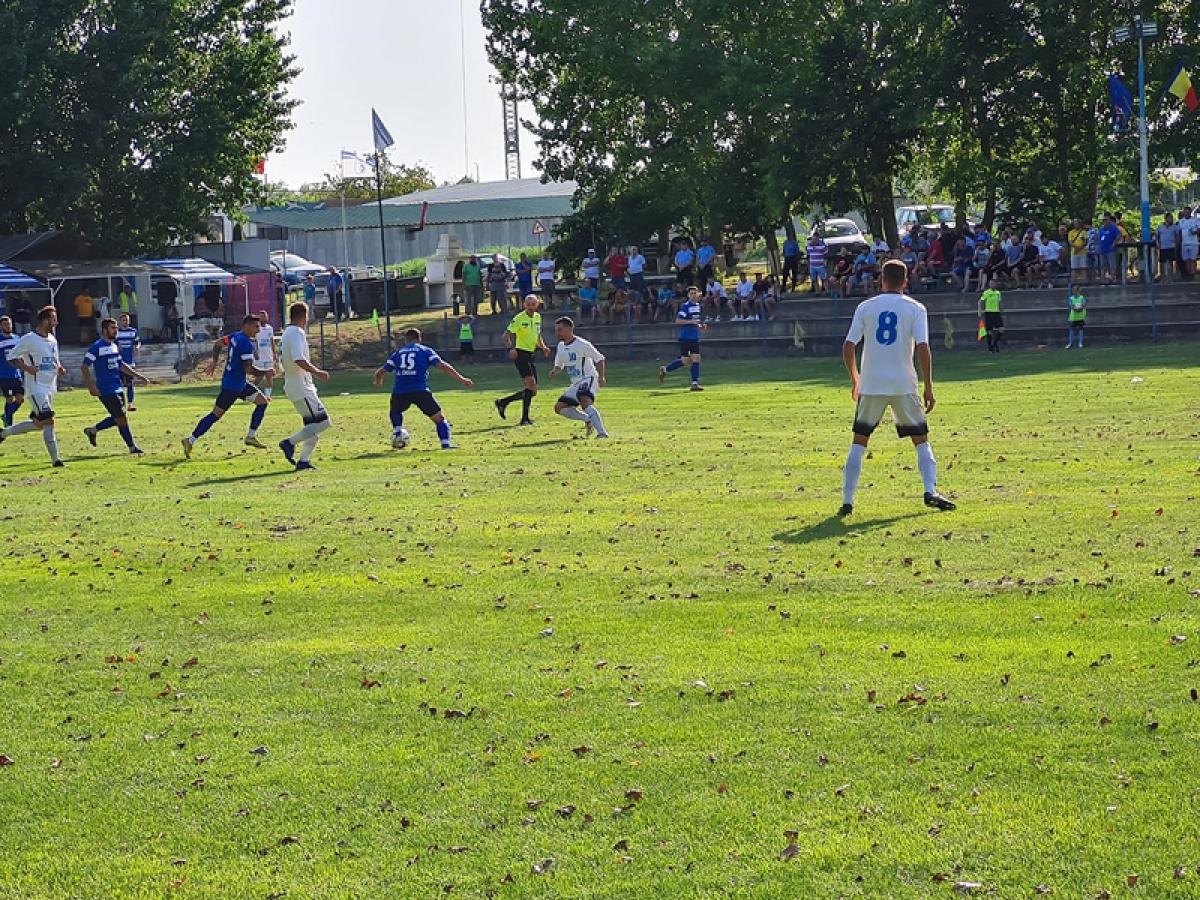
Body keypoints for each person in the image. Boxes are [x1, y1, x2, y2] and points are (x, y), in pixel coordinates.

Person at [839, 258, 955, 516]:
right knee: (921, 440)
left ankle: (847, 500)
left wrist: (856, 379)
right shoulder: (915, 308)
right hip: (903, 383)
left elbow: (848, 345)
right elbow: (923, 347)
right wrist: (928, 386)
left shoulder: (866, 307)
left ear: (881, 280)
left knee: (859, 441)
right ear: (905, 281)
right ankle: (930, 490)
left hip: (872, 383)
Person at [181, 315, 273, 458]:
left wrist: (215, 361)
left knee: (262, 402)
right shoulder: (245, 343)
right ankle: (190, 440)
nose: (258, 330)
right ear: (247, 326)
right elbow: (249, 369)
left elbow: (218, 343)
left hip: (238, 383)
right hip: (233, 387)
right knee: (215, 415)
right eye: (256, 326)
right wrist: (265, 372)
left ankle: (251, 436)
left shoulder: (235, 336)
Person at [374, 327, 474, 449]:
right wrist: (462, 379)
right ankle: (445, 444)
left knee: (395, 410)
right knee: (439, 419)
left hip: (400, 391)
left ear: (406, 340)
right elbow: (443, 366)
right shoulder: (425, 351)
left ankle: (398, 431)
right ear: (419, 339)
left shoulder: (398, 353)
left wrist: (378, 382)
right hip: (420, 390)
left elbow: (380, 372)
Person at [0, 306, 66, 467]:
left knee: (39, 424)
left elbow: (54, 358)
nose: (56, 322)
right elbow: (11, 357)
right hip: (36, 387)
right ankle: (56, 460)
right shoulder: (29, 338)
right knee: (49, 420)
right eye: (53, 318)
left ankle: (4, 433)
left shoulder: (52, 339)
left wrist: (59, 367)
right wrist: (27, 368)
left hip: (49, 386)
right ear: (45, 320)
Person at [81, 317, 150, 455]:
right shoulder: (97, 347)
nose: (116, 331)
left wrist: (138, 376)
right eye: (113, 328)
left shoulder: (114, 346)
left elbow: (121, 365)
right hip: (105, 389)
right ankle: (132, 447)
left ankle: (92, 430)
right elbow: (84, 366)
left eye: (116, 328)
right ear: (104, 330)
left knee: (118, 417)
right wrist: (91, 387)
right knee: (121, 418)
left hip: (117, 387)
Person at [277, 301, 331, 470]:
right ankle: (289, 443)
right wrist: (318, 372)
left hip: (295, 385)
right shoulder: (296, 332)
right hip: (301, 387)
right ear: (304, 316)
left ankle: (303, 461)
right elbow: (298, 358)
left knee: (311, 429)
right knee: (324, 422)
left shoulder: (287, 333)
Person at [494, 294, 550, 426]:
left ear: (537, 305)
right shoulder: (519, 318)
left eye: (533, 304)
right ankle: (524, 418)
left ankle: (503, 402)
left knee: (533, 390)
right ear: (524, 305)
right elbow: (505, 336)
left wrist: (543, 347)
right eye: (528, 304)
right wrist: (511, 348)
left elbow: (537, 335)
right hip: (521, 354)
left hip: (531, 354)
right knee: (530, 386)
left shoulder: (537, 317)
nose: (531, 307)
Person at [549, 316, 608, 439]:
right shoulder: (561, 346)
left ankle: (602, 433)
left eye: (559, 330)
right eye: (556, 330)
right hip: (576, 383)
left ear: (569, 329)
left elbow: (600, 359)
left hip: (589, 378)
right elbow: (559, 365)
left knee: (585, 401)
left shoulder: (582, 344)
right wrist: (555, 371)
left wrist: (601, 377)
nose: (557, 333)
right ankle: (587, 419)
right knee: (559, 407)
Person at [657, 285, 706, 392]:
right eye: (691, 293)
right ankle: (694, 384)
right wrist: (691, 322)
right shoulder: (686, 306)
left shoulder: (698, 306)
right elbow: (678, 321)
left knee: (687, 361)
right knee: (695, 359)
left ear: (698, 294)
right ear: (688, 295)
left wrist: (700, 326)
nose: (693, 295)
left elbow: (695, 321)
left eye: (695, 293)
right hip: (686, 337)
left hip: (694, 336)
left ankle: (665, 369)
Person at [250, 310, 277, 450]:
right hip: (260, 357)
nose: (263, 318)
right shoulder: (257, 329)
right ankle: (249, 391)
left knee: (269, 376)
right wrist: (255, 353)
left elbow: (271, 341)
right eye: (261, 316)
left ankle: (267, 396)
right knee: (259, 377)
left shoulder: (270, 329)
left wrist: (274, 353)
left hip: (268, 357)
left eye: (264, 316)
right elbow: (254, 342)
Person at [0, 315, 23, 426]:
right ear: (1, 326)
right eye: (5, 324)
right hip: (4, 375)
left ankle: (6, 415)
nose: (8, 326)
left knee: (20, 399)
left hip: (16, 374)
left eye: (9, 324)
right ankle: (9, 424)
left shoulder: (17, 338)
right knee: (9, 399)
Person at [115, 313, 141, 410]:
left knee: (130, 384)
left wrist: (137, 348)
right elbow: (111, 343)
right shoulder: (116, 332)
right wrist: (116, 347)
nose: (126, 322)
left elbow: (137, 342)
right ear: (120, 322)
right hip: (118, 363)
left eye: (127, 320)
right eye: (124, 320)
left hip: (130, 362)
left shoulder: (133, 331)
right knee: (119, 384)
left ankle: (130, 404)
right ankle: (120, 405)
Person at [977, 285, 1004, 353]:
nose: (992, 285)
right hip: (989, 313)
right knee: (989, 331)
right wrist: (979, 312)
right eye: (991, 284)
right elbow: (980, 301)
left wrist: (1001, 309)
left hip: (996, 313)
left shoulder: (998, 293)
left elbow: (999, 302)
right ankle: (990, 348)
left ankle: (994, 344)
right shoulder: (986, 292)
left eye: (993, 284)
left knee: (1001, 330)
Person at [1097, 214, 1121, 285]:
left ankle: (1113, 278)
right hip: (1102, 249)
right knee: (1102, 265)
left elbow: (1119, 235)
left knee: (1112, 265)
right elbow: (1099, 238)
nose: (1104, 221)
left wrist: (1114, 243)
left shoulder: (1113, 228)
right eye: (1103, 220)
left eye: (1106, 220)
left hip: (1110, 250)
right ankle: (1102, 279)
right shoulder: (1101, 229)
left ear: (1109, 220)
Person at [1155, 213, 1178, 284]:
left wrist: (1176, 244)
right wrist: (1157, 244)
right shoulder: (1160, 227)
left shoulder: (1174, 227)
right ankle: (1163, 278)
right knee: (1162, 263)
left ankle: (1170, 278)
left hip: (1171, 246)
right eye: (1170, 218)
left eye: (1172, 218)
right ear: (1166, 218)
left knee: (1171, 263)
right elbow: (1156, 236)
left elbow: (1177, 236)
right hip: (1163, 247)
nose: (1172, 219)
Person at [1178, 207, 1200, 278]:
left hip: (1193, 243)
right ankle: (1189, 273)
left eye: (1188, 212)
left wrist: (1195, 232)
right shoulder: (1181, 221)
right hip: (1184, 243)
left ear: (1190, 213)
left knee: (1193, 259)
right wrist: (1178, 242)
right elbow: (1179, 233)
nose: (1186, 213)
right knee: (1186, 260)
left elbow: (1199, 230)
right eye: (1185, 212)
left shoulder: (1195, 220)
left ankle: (1192, 273)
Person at [1067, 219, 1090, 284]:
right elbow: (1070, 242)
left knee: (1083, 267)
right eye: (1075, 224)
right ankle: (1073, 282)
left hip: (1083, 252)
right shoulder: (1071, 232)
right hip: (1074, 252)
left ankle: (1084, 281)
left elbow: (1086, 241)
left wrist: (1080, 248)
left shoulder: (1084, 232)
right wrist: (1076, 247)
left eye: (1077, 223)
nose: (1076, 225)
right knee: (1074, 268)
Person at [1065, 285, 1087, 349]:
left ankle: (1080, 343)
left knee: (1081, 329)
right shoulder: (1071, 298)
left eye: (1075, 290)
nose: (1074, 291)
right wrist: (1076, 309)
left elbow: (1084, 304)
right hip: (1073, 317)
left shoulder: (1082, 297)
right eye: (1073, 290)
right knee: (1071, 330)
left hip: (1080, 316)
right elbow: (1071, 305)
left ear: (1078, 290)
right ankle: (1070, 343)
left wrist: (1080, 308)